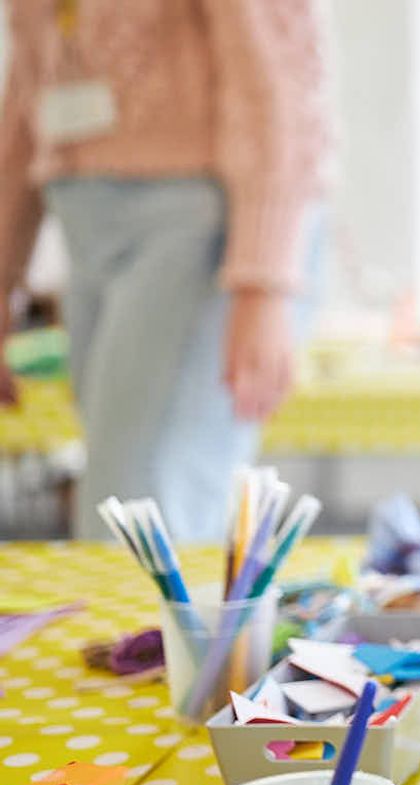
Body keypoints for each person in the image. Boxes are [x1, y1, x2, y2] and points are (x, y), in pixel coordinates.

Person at [0, 0, 330, 541]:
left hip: (200, 229)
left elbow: (279, 74)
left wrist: (263, 280)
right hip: (85, 227)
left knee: (141, 501)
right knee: (121, 494)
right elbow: (27, 91)